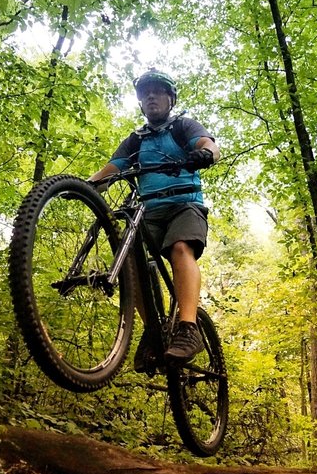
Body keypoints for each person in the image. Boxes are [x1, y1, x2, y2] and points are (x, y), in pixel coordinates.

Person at [89, 69, 220, 372]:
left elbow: (209, 146)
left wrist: (204, 155)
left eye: (157, 91)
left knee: (180, 249)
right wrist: (82, 185)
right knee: (130, 266)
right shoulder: (136, 140)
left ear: (170, 98)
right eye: (144, 93)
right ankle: (153, 331)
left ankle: (188, 328)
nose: (150, 96)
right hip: (148, 213)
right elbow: (110, 170)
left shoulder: (183, 126)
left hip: (184, 205)